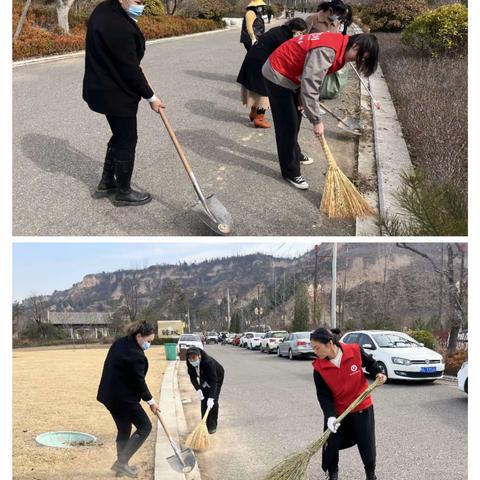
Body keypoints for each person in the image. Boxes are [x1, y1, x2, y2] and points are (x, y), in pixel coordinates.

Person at [262, 32, 379, 189]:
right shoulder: (327, 50)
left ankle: (294, 153)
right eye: (361, 57)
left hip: (294, 75)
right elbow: (311, 83)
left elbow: (313, 79)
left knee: (295, 120)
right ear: (355, 45)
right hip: (278, 73)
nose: (358, 61)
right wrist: (316, 120)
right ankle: (290, 171)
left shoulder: (340, 43)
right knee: (287, 125)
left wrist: (305, 100)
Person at [83, 0, 165, 207]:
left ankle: (106, 183)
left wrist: (128, 61)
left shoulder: (104, 9)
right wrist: (152, 98)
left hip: (100, 86)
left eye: (144, 2)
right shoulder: (119, 26)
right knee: (127, 138)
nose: (142, 6)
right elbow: (130, 71)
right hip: (115, 93)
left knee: (119, 134)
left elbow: (122, 59)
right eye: (138, 1)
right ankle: (123, 192)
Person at [310, 328, 387, 480]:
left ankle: (370, 474)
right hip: (338, 412)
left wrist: (378, 372)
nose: (315, 351)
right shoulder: (318, 368)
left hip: (361, 406)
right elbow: (323, 396)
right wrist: (330, 417)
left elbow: (370, 363)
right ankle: (333, 474)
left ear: (329, 343)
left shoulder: (354, 350)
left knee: (367, 442)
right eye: (313, 348)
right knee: (331, 443)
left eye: (317, 347)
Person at [97, 321, 159, 478]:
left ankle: (121, 466)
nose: (149, 345)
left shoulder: (122, 343)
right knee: (145, 427)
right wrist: (151, 401)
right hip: (122, 398)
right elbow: (138, 381)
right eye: (149, 341)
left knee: (124, 428)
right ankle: (121, 462)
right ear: (139, 336)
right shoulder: (135, 354)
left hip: (109, 395)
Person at [237, 18, 307, 130]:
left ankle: (253, 113)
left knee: (255, 88)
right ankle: (259, 119)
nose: (301, 35)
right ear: (294, 30)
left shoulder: (279, 30)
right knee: (263, 90)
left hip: (252, 58)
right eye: (300, 32)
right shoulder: (283, 38)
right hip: (260, 62)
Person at [186, 347, 225, 434]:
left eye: (194, 357)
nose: (192, 360)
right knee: (204, 400)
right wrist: (198, 389)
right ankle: (204, 423)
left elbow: (214, 381)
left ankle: (212, 426)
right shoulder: (189, 362)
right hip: (203, 376)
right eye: (190, 358)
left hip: (217, 377)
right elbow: (192, 377)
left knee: (213, 402)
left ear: (199, 356)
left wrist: (211, 398)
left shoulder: (208, 362)